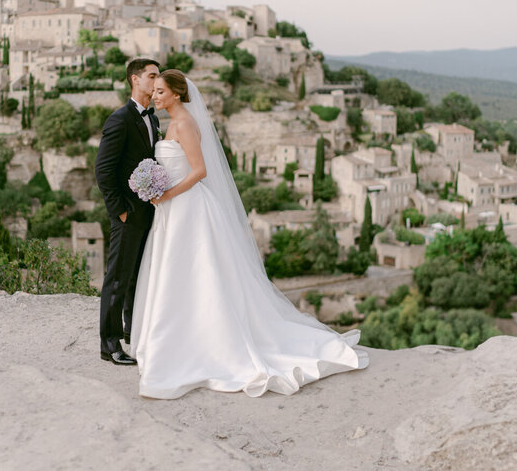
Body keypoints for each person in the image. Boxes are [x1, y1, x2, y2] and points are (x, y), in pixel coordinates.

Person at [130, 70, 369, 398]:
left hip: (188, 208)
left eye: (160, 91)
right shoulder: (171, 122)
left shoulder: (184, 123)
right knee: (178, 274)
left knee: (195, 272)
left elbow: (200, 171)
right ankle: (175, 339)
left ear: (176, 94)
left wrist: (167, 193)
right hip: (173, 208)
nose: (154, 96)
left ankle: (195, 346)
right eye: (154, 91)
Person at [95, 58, 161, 365]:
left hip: (148, 213)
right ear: (135, 79)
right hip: (127, 214)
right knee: (118, 277)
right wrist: (119, 211)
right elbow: (103, 171)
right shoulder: (119, 119)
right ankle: (109, 344)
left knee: (137, 277)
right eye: (152, 76)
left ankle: (133, 335)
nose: (156, 81)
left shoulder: (153, 119)